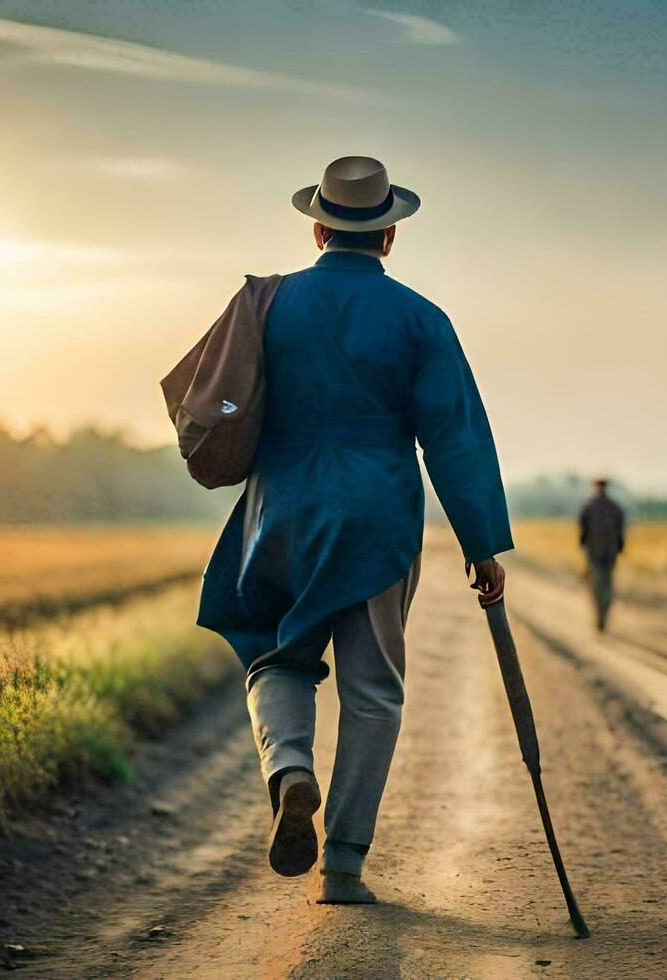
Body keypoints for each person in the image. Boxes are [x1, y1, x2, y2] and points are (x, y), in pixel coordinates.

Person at [196, 156, 512, 905]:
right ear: (390, 236)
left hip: (281, 512)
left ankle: (290, 770)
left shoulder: (268, 304)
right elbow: (454, 439)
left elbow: (216, 400)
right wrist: (481, 543)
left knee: (276, 655)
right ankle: (342, 864)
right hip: (379, 520)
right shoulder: (421, 319)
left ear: (317, 228)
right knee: (374, 691)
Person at [578, 478, 625, 631]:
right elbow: (620, 531)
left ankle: (601, 616)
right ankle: (602, 615)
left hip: (596, 552)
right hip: (608, 552)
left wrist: (584, 545)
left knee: (598, 585)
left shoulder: (589, 507)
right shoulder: (615, 508)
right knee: (606, 585)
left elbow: (582, 531)